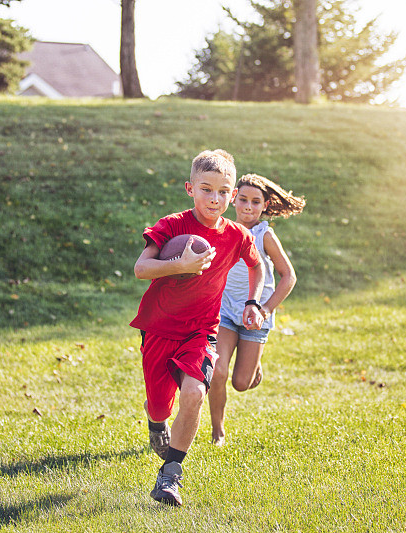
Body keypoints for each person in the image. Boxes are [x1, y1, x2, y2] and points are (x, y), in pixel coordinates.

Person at [130, 150, 265, 507]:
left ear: (232, 195)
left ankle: (170, 476)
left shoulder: (237, 235)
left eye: (223, 192)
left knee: (194, 393)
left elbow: (258, 267)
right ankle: (156, 421)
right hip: (158, 328)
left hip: (201, 332)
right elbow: (141, 269)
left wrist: (254, 301)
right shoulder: (172, 225)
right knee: (160, 406)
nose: (215, 199)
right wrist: (179, 264)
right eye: (206, 189)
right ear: (191, 189)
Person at [208, 174, 305, 446]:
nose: (248, 207)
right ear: (234, 197)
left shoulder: (264, 235)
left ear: (265, 205)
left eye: (255, 202)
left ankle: (254, 365)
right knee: (217, 371)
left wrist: (265, 309)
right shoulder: (223, 228)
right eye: (243, 200)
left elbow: (289, 276)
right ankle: (218, 430)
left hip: (255, 317)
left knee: (241, 383)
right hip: (226, 313)